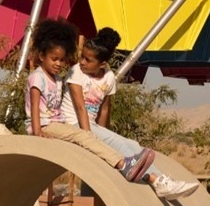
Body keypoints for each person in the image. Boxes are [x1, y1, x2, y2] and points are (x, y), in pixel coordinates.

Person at [60, 27, 200, 201]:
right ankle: (157, 181)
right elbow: (80, 108)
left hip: (92, 126)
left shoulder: (109, 77)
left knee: (131, 144)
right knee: (124, 147)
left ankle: (161, 180)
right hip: (74, 125)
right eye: (82, 57)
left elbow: (104, 109)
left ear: (102, 64)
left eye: (88, 60)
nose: (82, 62)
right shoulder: (76, 73)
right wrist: (90, 138)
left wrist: (105, 136)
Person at [26, 19, 155, 182]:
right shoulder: (37, 77)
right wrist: (38, 131)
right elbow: (35, 107)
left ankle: (128, 164)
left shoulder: (57, 79)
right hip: (44, 125)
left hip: (56, 124)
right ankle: (123, 164)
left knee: (88, 137)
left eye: (62, 60)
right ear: (41, 56)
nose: (59, 63)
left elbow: (104, 109)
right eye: (54, 59)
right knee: (84, 136)